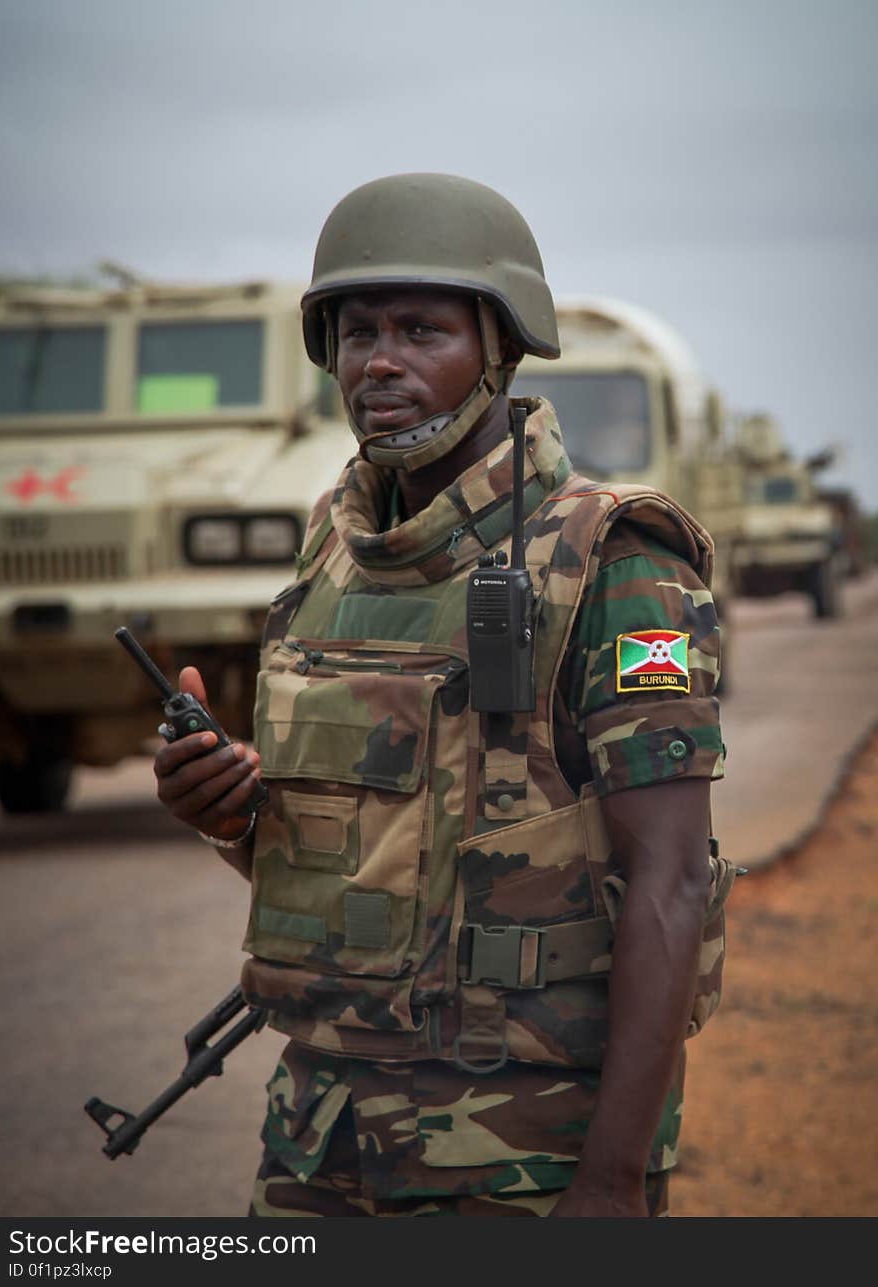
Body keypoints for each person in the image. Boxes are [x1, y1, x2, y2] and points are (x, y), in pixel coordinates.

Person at [154, 173, 729, 1218]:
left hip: (518, 1156)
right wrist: (229, 813)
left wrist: (608, 1182)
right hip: (317, 1140)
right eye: (356, 330)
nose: (379, 362)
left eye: (422, 330)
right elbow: (354, 869)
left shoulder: (614, 558)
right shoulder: (332, 546)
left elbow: (672, 881)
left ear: (498, 348)